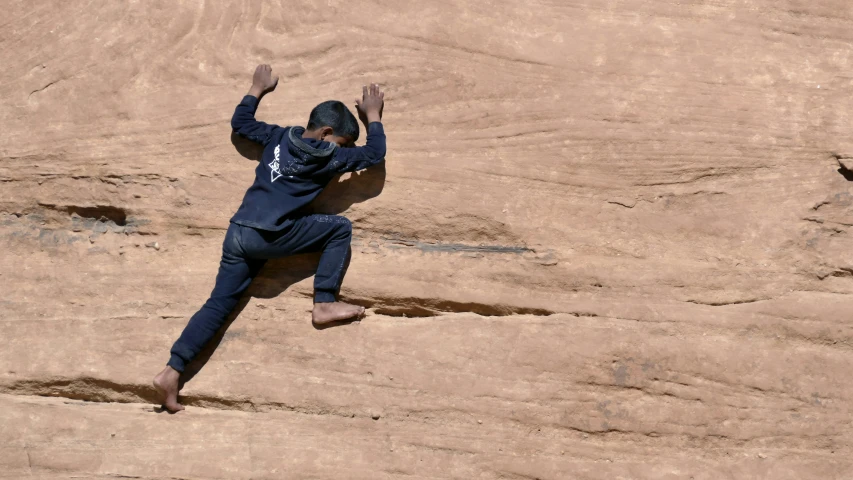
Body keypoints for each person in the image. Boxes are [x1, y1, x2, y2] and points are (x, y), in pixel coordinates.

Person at [153, 64, 387, 412]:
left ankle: (172, 371)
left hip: (239, 232)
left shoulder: (278, 136)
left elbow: (242, 124)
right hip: (273, 235)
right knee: (339, 228)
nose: (344, 149)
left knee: (218, 305)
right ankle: (324, 301)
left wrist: (257, 87)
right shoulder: (330, 156)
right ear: (326, 134)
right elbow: (375, 153)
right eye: (342, 142)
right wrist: (373, 116)